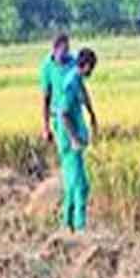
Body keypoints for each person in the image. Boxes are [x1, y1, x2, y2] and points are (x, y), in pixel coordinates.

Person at [54, 48, 99, 232]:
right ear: (86, 66)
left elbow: (84, 94)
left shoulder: (76, 78)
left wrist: (92, 113)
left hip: (75, 141)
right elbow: (63, 114)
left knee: (72, 186)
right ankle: (79, 228)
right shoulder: (71, 83)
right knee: (81, 186)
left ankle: (67, 226)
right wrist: (74, 139)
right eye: (92, 68)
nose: (92, 72)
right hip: (70, 143)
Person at [40, 32, 75, 143]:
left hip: (74, 114)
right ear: (55, 50)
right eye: (64, 50)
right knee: (65, 150)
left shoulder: (73, 63)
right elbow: (46, 98)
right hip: (58, 116)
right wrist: (46, 127)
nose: (66, 54)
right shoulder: (47, 67)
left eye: (67, 50)